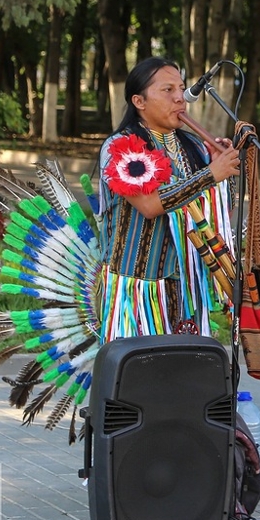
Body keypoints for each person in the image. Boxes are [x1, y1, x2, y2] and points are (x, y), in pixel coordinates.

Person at [97, 56, 241, 340]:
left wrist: (227, 176)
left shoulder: (194, 146)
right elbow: (150, 206)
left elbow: (219, 216)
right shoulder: (121, 148)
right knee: (140, 375)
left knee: (182, 378)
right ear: (139, 101)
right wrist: (210, 174)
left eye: (181, 88)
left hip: (186, 288)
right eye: (168, 90)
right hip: (137, 288)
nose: (180, 98)